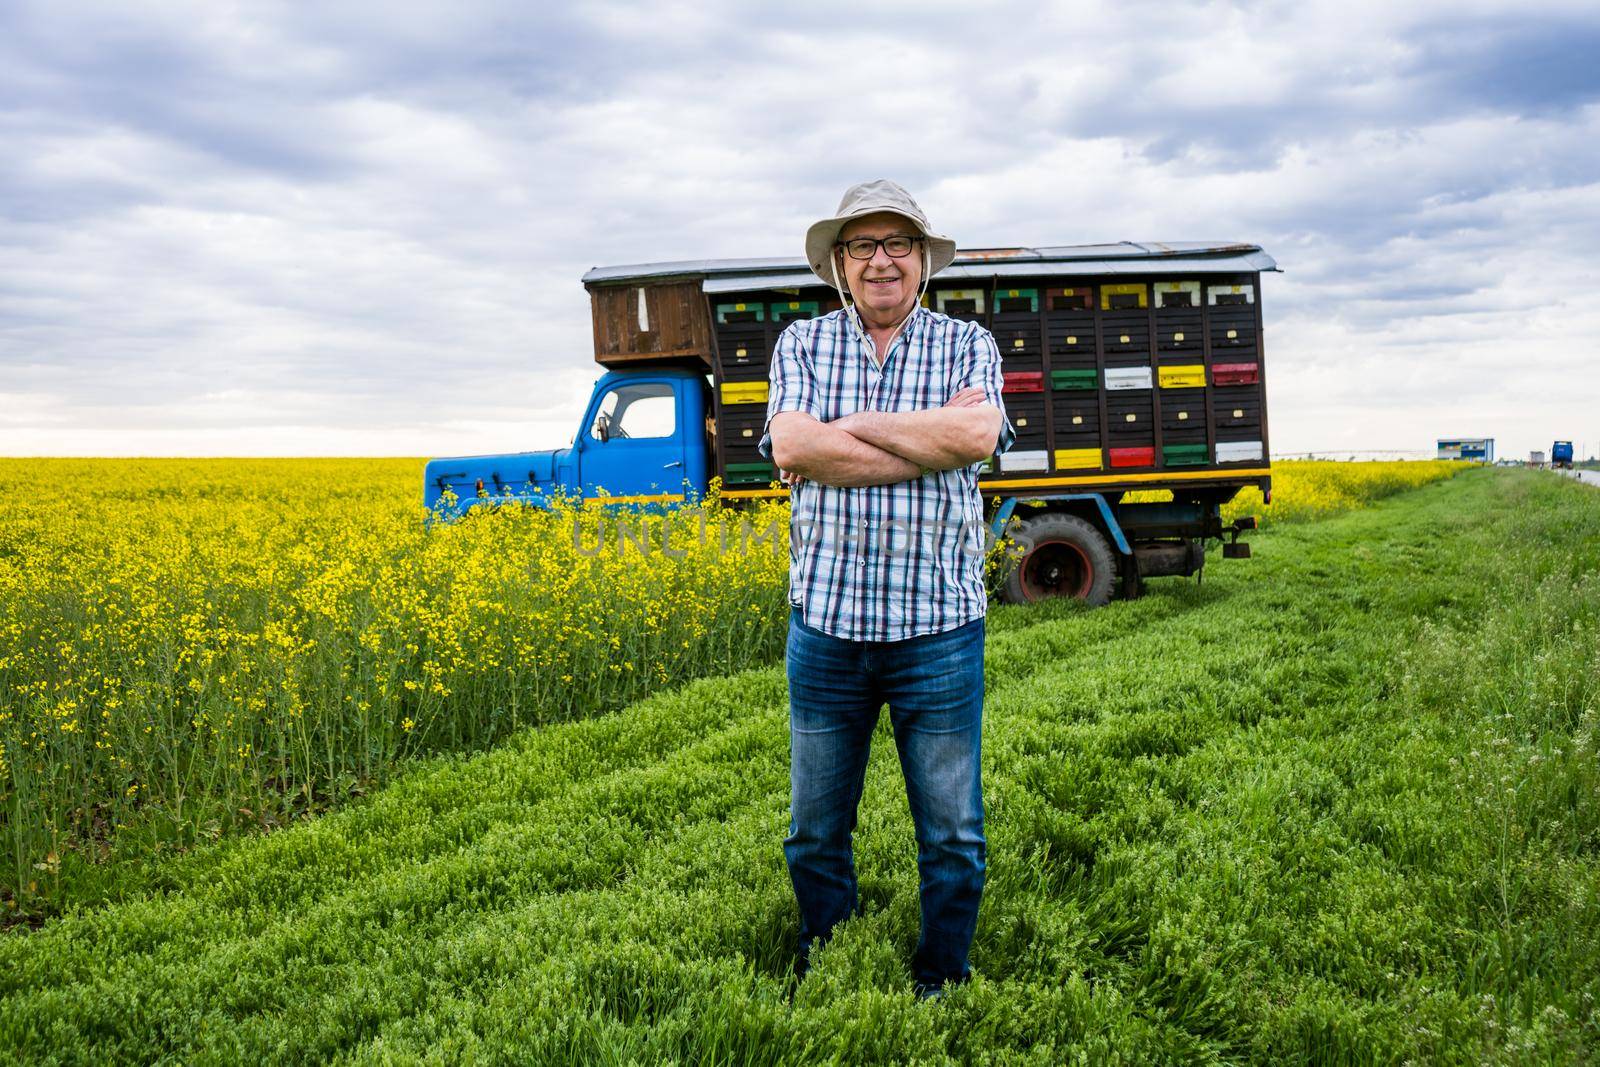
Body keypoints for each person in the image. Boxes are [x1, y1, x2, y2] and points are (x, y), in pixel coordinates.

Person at [757, 179, 1015, 997]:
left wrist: (849, 430)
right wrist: (920, 440)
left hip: (937, 630)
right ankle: (826, 958)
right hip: (826, 630)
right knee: (813, 831)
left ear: (923, 260)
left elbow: (976, 433)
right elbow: (791, 446)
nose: (881, 261)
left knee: (952, 834)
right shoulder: (800, 345)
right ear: (839, 262)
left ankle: (943, 974)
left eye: (897, 243)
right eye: (863, 245)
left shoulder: (967, 346)